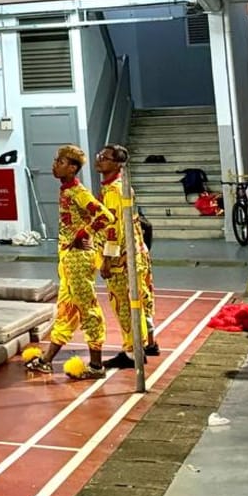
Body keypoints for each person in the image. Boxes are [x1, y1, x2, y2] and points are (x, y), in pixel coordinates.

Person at [26, 145, 115, 380]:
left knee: (88, 309)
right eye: (56, 161)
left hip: (78, 259)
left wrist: (83, 233)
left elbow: (106, 216)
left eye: (60, 162)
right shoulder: (67, 190)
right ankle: (47, 360)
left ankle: (96, 365)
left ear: (73, 168)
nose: (54, 165)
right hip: (68, 258)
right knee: (66, 308)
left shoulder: (78, 192)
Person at [95, 145, 159, 368]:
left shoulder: (115, 190)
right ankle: (149, 342)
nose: (99, 160)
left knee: (124, 304)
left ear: (117, 164)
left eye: (105, 157)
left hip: (122, 259)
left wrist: (107, 259)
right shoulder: (119, 186)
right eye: (99, 156)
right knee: (142, 299)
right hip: (136, 253)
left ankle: (132, 352)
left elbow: (114, 229)